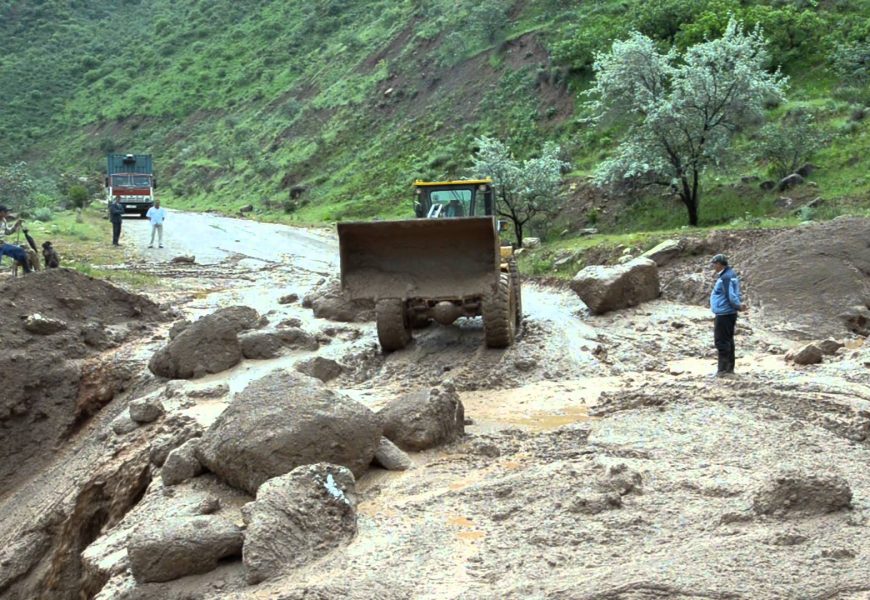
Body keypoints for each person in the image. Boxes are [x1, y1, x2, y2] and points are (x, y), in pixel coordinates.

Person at [710, 254, 747, 377]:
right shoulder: (730, 274)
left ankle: (723, 370)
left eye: (714, 264)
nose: (713, 266)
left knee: (721, 341)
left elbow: (730, 295)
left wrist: (737, 306)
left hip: (724, 313)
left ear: (720, 264)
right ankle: (729, 369)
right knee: (728, 340)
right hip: (728, 313)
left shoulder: (725, 277)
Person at [0, 204, 31, 273]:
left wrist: (16, 225)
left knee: (20, 252)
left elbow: (7, 232)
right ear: (1, 212)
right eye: (6, 212)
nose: (7, 214)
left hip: (2, 245)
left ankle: (27, 271)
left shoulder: (4, 221)